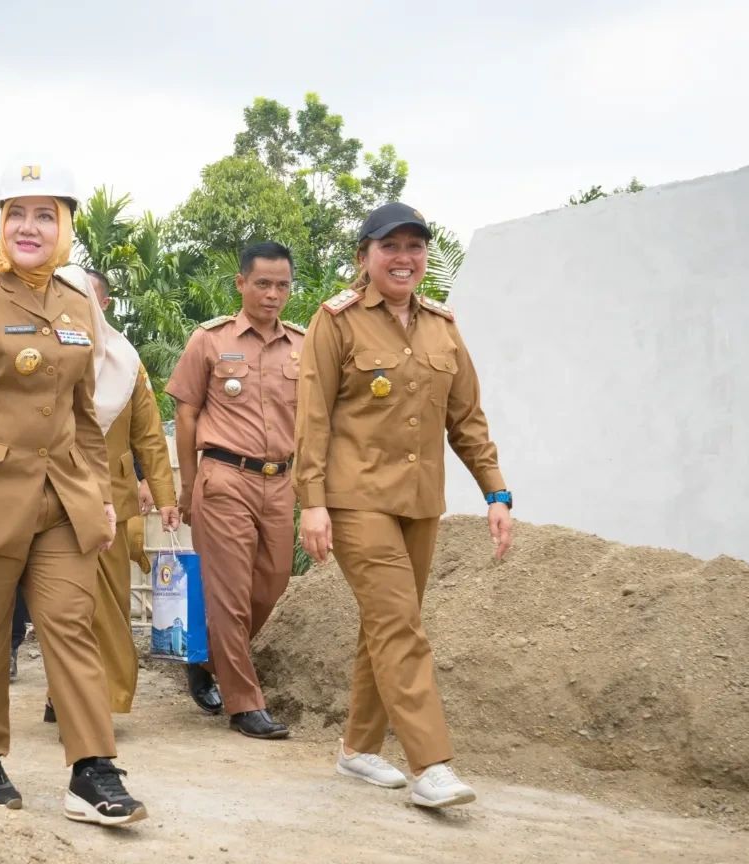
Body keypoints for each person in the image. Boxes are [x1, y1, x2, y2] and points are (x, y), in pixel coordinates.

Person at [0, 160, 146, 826]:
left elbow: (83, 410)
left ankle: (91, 767)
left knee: (71, 627)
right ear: (1, 222)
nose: (28, 226)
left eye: (45, 214)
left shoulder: (78, 305)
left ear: (64, 225)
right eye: (16, 213)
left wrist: (99, 494)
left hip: (63, 500)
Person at [294, 201, 513, 809]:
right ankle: (431, 764)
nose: (404, 258)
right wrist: (312, 503)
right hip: (356, 498)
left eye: (415, 246)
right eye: (390, 246)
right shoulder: (335, 323)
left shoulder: (444, 327)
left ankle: (358, 749)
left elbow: (466, 420)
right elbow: (311, 421)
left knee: (386, 625)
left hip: (420, 502)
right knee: (400, 625)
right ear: (364, 257)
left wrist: (495, 492)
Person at [166, 241, 305, 740]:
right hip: (224, 477)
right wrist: (186, 487)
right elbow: (185, 414)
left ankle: (205, 661)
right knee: (229, 595)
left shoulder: (302, 346)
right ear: (241, 283)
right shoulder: (209, 341)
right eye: (263, 283)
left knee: (273, 581)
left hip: (281, 481)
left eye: (282, 285)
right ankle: (244, 703)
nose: (273, 294)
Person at [77, 267, 180, 714]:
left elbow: (150, 436)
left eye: (86, 300)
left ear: (104, 306)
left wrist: (165, 497)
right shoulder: (44, 353)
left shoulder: (127, 363)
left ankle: (106, 697)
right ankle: (67, 694)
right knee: (68, 602)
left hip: (112, 500)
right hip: (51, 496)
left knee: (111, 603)